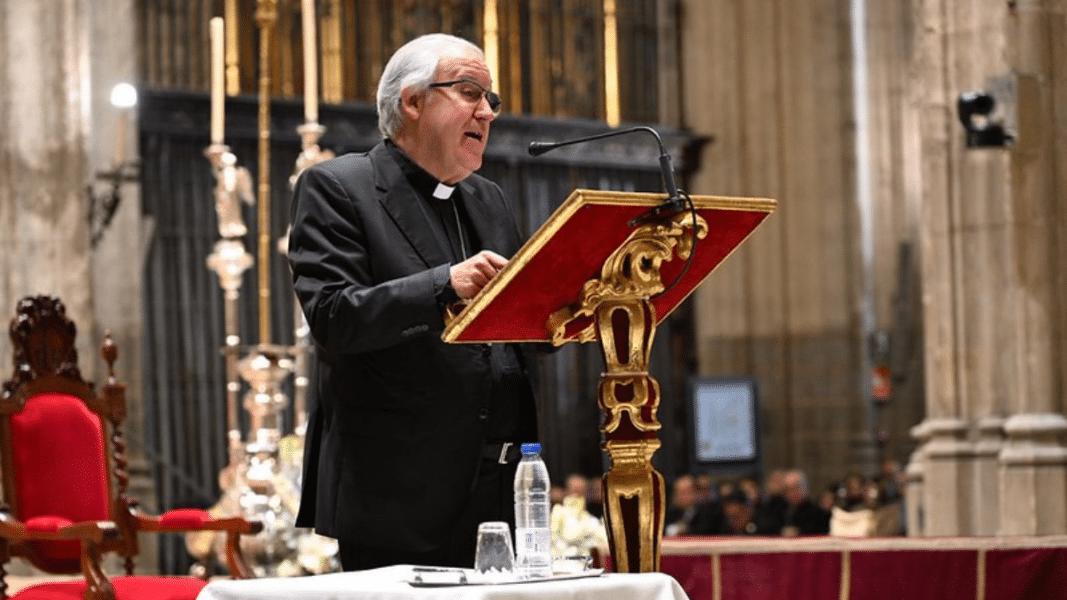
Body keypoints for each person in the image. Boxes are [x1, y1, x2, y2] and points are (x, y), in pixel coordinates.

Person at [288, 33, 539, 571]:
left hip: (500, 486)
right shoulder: (339, 187)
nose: (487, 112)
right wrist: (444, 284)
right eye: (470, 91)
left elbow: (518, 328)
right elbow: (334, 317)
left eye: (490, 99)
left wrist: (566, 304)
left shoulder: (486, 197)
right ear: (412, 101)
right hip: (397, 494)